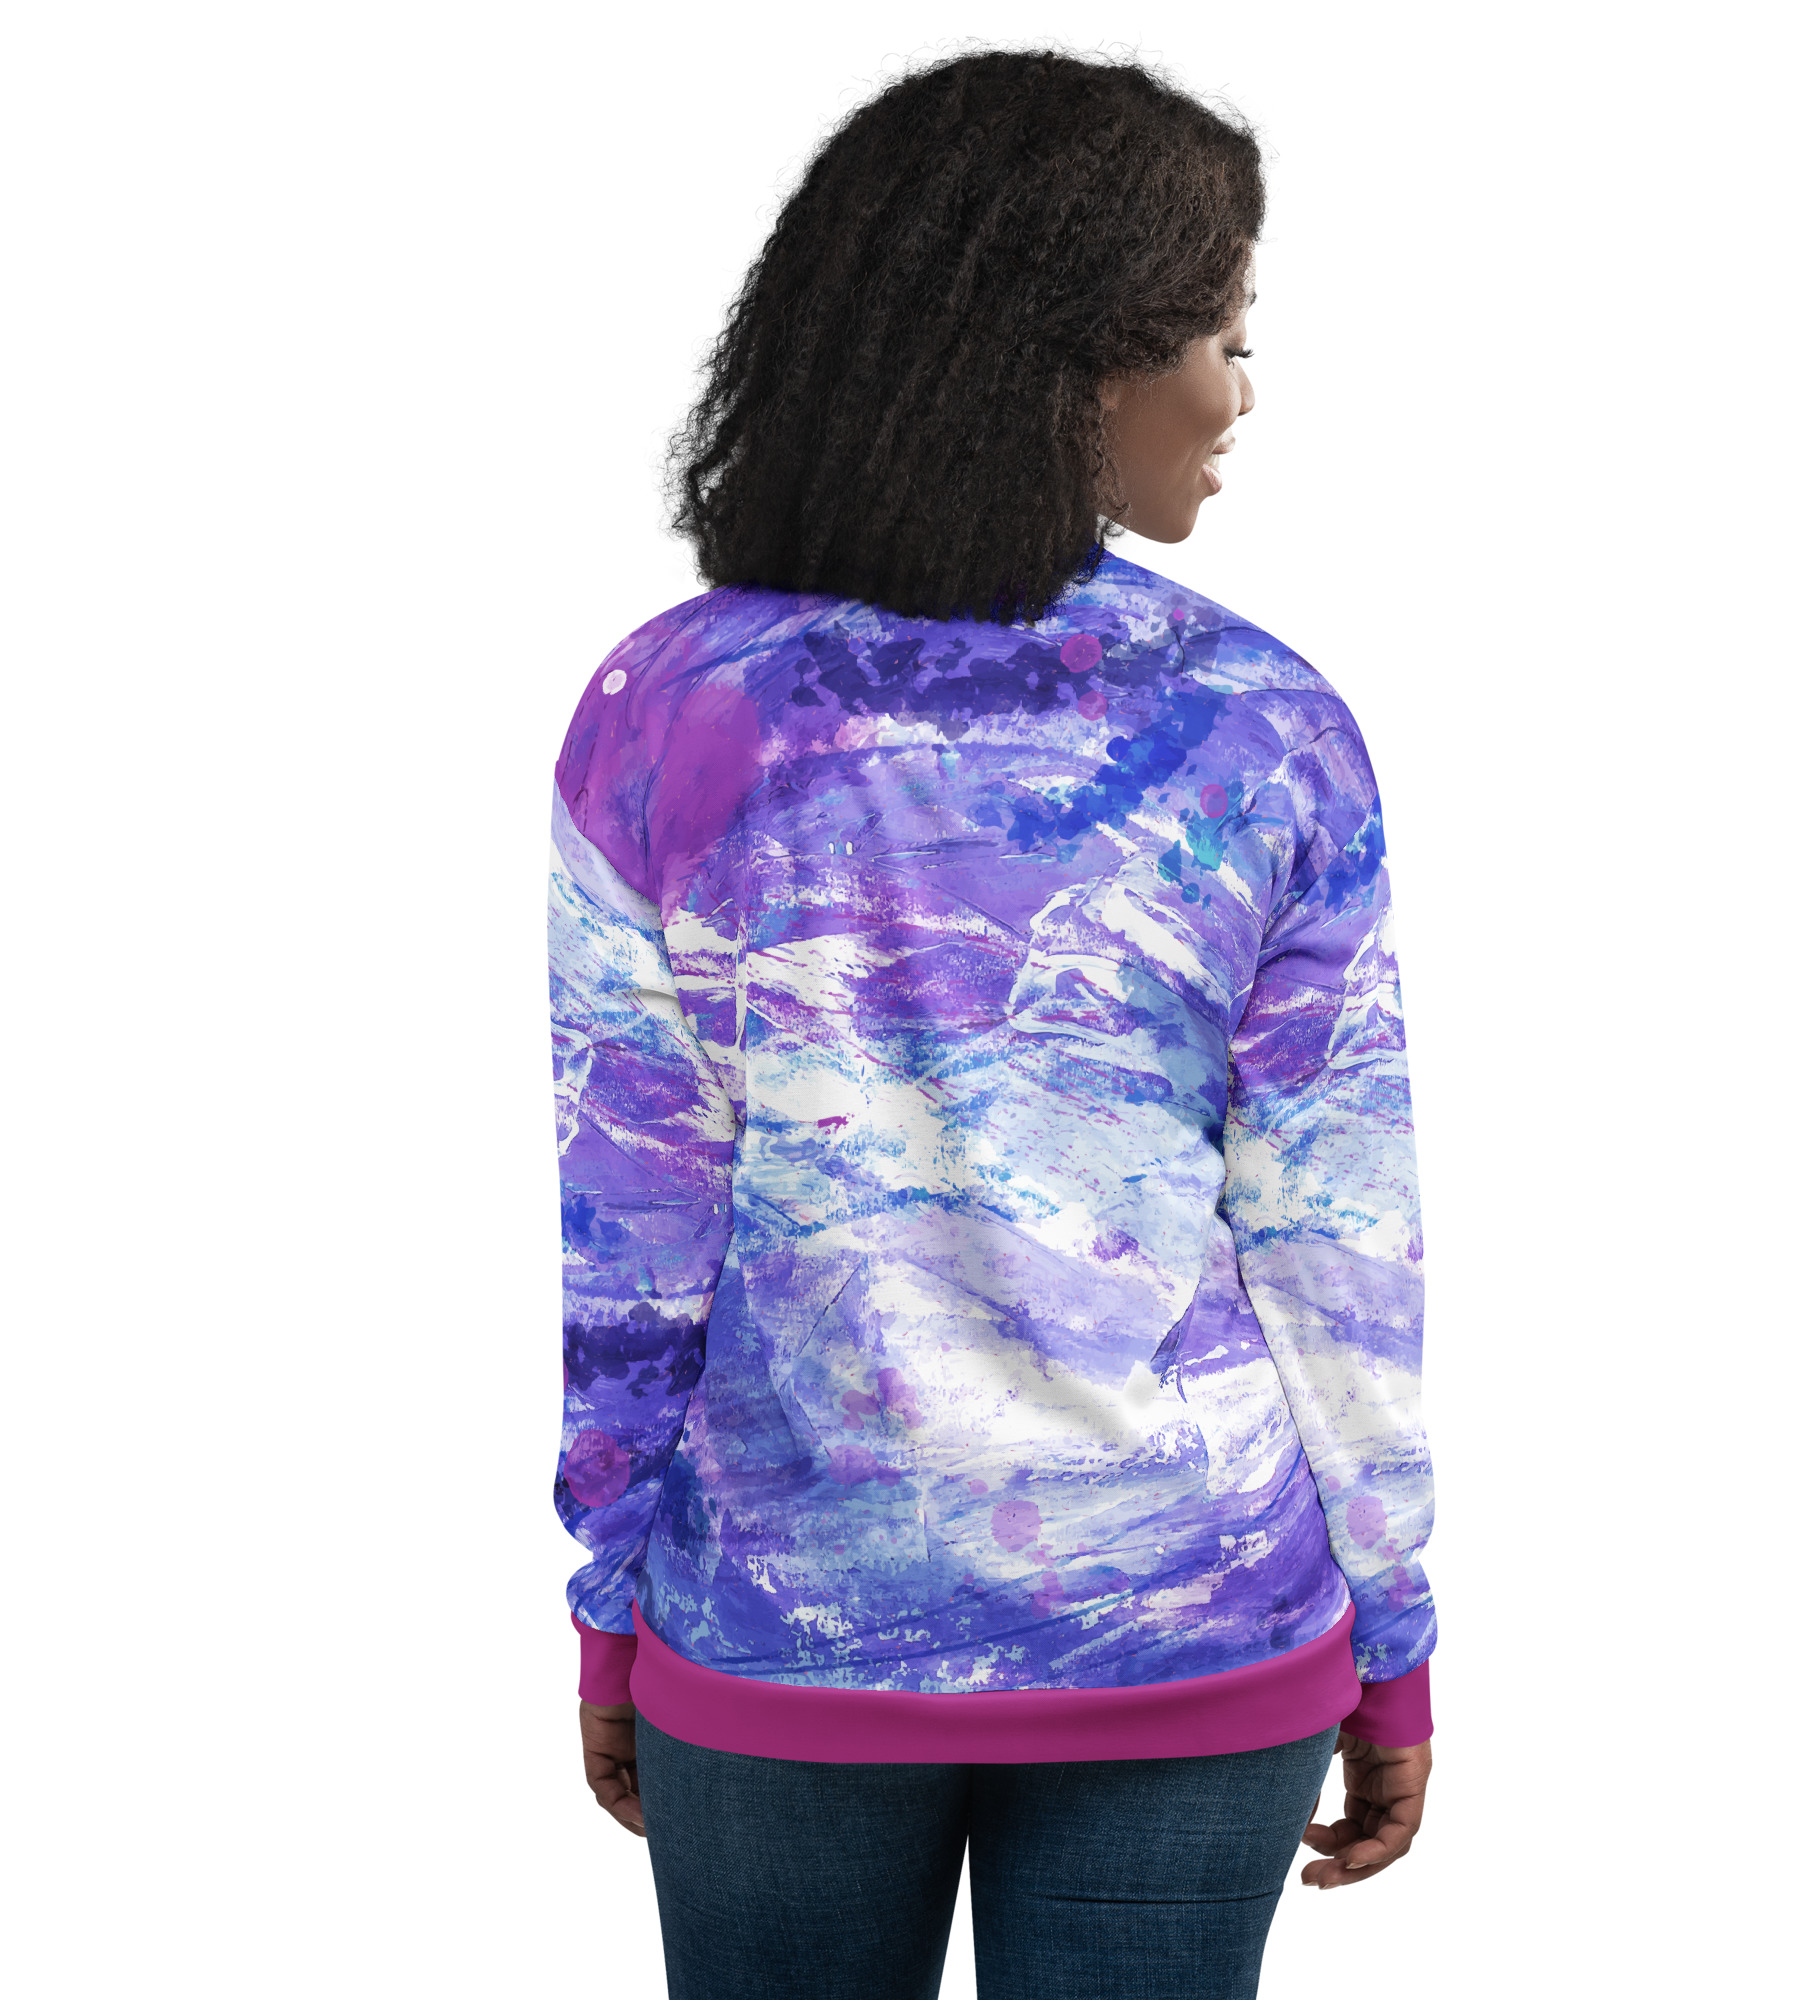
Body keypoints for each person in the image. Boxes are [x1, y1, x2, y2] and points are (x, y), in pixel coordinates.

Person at [548, 49, 1435, 2000]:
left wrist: (611, 1598)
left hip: (784, 1621)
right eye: (1219, 336)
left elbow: (634, 1224)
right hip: (1198, 1612)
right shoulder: (1266, 725)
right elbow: (1334, 1238)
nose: (1239, 393)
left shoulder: (671, 707)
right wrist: (1394, 1624)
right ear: (1082, 360)